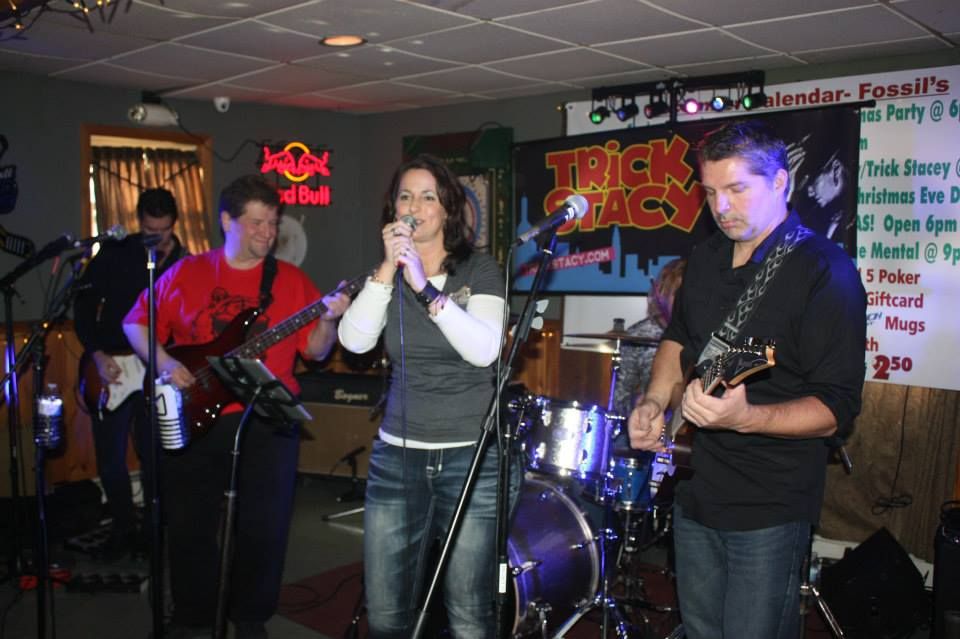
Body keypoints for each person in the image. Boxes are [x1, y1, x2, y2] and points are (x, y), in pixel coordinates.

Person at [627, 120, 866, 639]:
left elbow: (836, 408)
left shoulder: (826, 270)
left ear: (780, 181)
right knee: (700, 630)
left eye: (736, 189)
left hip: (770, 504)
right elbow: (678, 336)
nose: (721, 206)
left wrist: (747, 417)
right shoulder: (705, 257)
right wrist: (654, 401)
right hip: (697, 487)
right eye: (711, 192)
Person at [122, 175, 350, 639]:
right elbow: (134, 323)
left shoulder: (291, 280)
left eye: (273, 223)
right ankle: (192, 614)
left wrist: (328, 320)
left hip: (267, 419)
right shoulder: (187, 272)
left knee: (264, 525)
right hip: (194, 415)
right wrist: (167, 363)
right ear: (227, 222)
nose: (268, 232)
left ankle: (250, 616)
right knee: (189, 521)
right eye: (257, 223)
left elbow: (316, 350)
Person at [338, 154, 518, 638]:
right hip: (398, 457)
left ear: (448, 209)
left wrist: (423, 286)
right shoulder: (387, 276)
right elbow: (354, 342)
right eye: (405, 196)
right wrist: (387, 268)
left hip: (470, 458)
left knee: (468, 613)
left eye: (427, 196)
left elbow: (484, 351)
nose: (413, 206)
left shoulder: (480, 270)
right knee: (385, 613)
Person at [73, 187, 188, 559]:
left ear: (174, 224)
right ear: (139, 223)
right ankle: (122, 529)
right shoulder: (115, 252)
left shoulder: (185, 264)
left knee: (156, 456)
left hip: (158, 367)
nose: (158, 237)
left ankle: (154, 534)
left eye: (164, 230)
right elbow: (83, 306)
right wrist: (96, 354)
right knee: (110, 457)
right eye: (150, 230)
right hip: (114, 363)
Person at [612, 257, 686, 421]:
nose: (685, 302)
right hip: (650, 425)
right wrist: (637, 402)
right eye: (678, 294)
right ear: (663, 294)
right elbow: (619, 399)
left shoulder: (706, 334)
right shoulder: (638, 335)